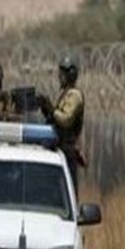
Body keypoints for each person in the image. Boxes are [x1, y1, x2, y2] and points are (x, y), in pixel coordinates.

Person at [40, 56, 86, 195]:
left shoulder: (75, 95)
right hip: (59, 146)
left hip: (67, 150)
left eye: (62, 74)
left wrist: (52, 110)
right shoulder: (65, 94)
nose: (60, 77)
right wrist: (47, 110)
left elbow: (65, 119)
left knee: (69, 190)